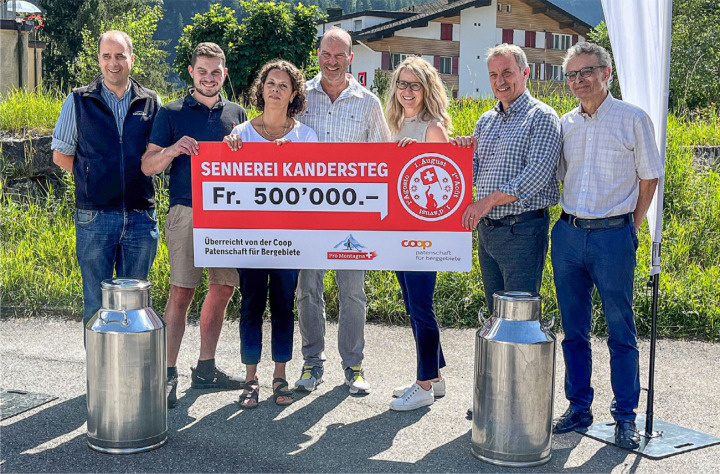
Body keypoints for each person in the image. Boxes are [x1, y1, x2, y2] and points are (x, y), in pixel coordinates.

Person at [551, 42, 663, 450]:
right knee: (573, 331)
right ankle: (579, 407)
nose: (579, 80)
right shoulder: (565, 123)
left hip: (614, 235)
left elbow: (650, 176)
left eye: (587, 71)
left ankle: (625, 417)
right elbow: (559, 174)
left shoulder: (632, 118)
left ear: (606, 72)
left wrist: (631, 227)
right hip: (568, 234)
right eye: (572, 74)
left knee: (621, 330)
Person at [141, 42, 247, 408]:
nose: (208, 78)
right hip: (185, 211)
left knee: (221, 289)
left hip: (226, 215)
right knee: (181, 291)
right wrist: (171, 151)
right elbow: (147, 165)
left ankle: (206, 368)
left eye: (215, 72)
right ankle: (167, 372)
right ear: (191, 73)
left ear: (224, 74)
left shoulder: (237, 113)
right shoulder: (170, 113)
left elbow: (250, 168)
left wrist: (241, 148)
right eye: (202, 71)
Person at [293, 27, 392, 395]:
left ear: (351, 57)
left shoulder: (368, 102)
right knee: (307, 291)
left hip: (353, 217)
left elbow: (386, 159)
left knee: (353, 292)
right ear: (317, 54)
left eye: (340, 56)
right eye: (326, 54)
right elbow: (272, 137)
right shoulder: (299, 96)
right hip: (307, 216)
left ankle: (354, 366)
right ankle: (312, 363)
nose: (332, 62)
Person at [223, 59, 318, 408]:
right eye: (270, 83)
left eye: (283, 85)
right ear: (260, 90)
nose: (275, 89)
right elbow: (224, 179)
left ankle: (280, 375)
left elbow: (318, 187)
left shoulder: (306, 137)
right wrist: (227, 149)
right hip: (249, 238)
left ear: (294, 94)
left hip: (290, 239)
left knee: (282, 306)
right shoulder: (241, 135)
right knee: (250, 306)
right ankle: (250, 378)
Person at [51, 30, 161, 333]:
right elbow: (61, 155)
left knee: (136, 307)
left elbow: (158, 153)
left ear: (132, 59)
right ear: (99, 60)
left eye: (120, 55)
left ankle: (131, 378)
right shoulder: (78, 100)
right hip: (95, 216)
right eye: (107, 56)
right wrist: (95, 175)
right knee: (96, 305)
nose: (114, 63)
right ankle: (99, 379)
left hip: (141, 216)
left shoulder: (151, 102)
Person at [451, 44, 562, 315]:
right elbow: (473, 173)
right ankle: (498, 361)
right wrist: (457, 155)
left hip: (522, 232)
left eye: (507, 73)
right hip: (488, 231)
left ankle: (519, 360)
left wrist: (486, 203)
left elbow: (536, 175)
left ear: (525, 73)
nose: (500, 81)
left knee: (517, 317)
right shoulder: (485, 120)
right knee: (496, 315)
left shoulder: (542, 117)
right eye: (493, 75)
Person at [383, 57, 451, 411]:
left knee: (422, 307)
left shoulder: (431, 127)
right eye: (402, 84)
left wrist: (420, 155)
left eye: (415, 85)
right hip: (398, 232)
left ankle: (423, 385)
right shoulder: (397, 124)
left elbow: (445, 185)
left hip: (425, 236)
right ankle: (435, 376)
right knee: (412, 304)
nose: (407, 91)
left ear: (427, 88)